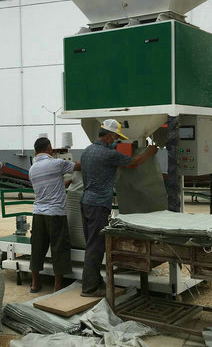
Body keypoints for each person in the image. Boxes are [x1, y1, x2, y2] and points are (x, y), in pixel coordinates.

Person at [80, 119, 159, 297]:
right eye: (115, 138)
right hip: (99, 204)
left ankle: (95, 281)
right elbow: (134, 162)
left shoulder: (87, 151)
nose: (116, 141)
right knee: (96, 247)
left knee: (91, 245)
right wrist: (149, 152)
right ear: (109, 136)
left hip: (85, 202)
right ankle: (90, 288)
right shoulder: (109, 155)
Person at [29, 137, 81, 294]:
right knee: (59, 248)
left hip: (38, 213)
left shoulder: (32, 169)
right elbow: (78, 166)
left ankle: (35, 284)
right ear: (49, 148)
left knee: (37, 247)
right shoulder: (57, 163)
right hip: (56, 214)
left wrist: (65, 184)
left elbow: (48, 187)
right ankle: (57, 286)